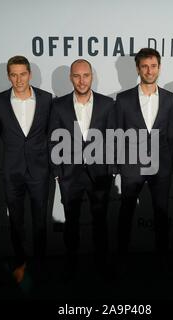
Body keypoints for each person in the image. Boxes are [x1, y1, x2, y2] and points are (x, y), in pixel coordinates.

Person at [48, 59, 115, 280]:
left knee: (100, 221)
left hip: (100, 174)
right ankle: (71, 263)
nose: (81, 80)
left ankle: (102, 263)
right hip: (70, 174)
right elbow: (52, 140)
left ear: (91, 76)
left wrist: (112, 169)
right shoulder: (58, 105)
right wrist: (58, 171)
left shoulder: (107, 104)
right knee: (71, 222)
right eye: (77, 76)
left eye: (85, 75)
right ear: (71, 78)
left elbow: (114, 139)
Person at [0, 56, 52, 284]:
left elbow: (51, 133)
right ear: (8, 76)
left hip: (39, 171)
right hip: (12, 171)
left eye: (22, 74)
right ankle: (20, 262)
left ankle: (40, 264)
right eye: (13, 75)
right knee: (15, 221)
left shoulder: (46, 99)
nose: (18, 79)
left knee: (40, 221)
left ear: (30, 74)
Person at [116, 48, 173, 267]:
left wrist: (167, 164)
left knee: (161, 214)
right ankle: (121, 258)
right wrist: (122, 165)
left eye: (153, 66)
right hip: (131, 167)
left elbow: (170, 135)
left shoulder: (170, 98)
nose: (149, 71)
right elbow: (118, 135)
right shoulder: (123, 99)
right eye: (145, 66)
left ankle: (162, 260)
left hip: (161, 168)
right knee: (126, 214)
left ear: (159, 68)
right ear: (138, 69)